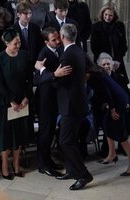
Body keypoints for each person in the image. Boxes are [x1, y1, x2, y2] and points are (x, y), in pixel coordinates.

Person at [0, 28, 33, 180]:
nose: (18, 45)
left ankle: (16, 165)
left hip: (23, 101)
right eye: (15, 43)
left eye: (19, 42)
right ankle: (4, 166)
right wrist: (11, 100)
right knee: (6, 136)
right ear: (7, 43)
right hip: (6, 103)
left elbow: (30, 79)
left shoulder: (24, 55)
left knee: (19, 135)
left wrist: (26, 97)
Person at [57, 23, 93, 190]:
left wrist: (47, 73)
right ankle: (72, 170)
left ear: (62, 36)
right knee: (70, 139)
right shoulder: (78, 50)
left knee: (65, 142)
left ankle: (84, 174)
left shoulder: (67, 55)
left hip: (71, 106)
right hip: (79, 103)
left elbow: (61, 81)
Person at [34, 27, 72, 177]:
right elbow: (38, 79)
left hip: (55, 97)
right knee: (45, 132)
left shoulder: (60, 49)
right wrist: (53, 74)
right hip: (45, 99)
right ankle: (42, 164)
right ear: (46, 42)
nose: (57, 41)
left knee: (51, 132)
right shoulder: (43, 53)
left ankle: (48, 160)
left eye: (58, 38)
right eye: (53, 40)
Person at [95, 53, 130, 176]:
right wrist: (107, 106)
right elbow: (100, 97)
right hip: (107, 110)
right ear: (100, 66)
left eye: (108, 64)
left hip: (120, 110)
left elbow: (125, 94)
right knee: (107, 129)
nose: (106, 66)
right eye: (103, 64)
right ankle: (111, 154)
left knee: (121, 137)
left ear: (112, 64)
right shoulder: (99, 78)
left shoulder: (119, 78)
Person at [91, 2, 128, 84]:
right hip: (102, 63)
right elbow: (94, 48)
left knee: (121, 86)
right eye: (106, 14)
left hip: (117, 62)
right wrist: (107, 63)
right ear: (102, 13)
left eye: (110, 15)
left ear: (114, 15)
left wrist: (117, 61)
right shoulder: (96, 27)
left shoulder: (120, 26)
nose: (107, 17)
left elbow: (123, 45)